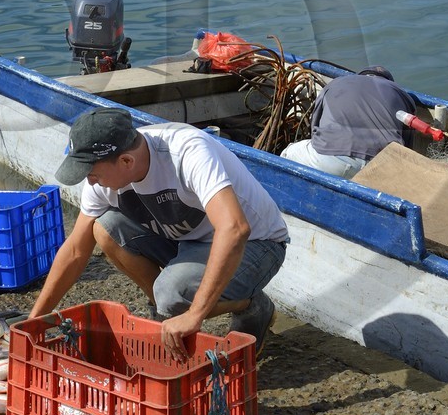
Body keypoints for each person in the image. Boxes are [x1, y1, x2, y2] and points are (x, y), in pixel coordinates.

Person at [30, 108, 288, 359]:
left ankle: (252, 306)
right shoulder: (107, 169)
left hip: (257, 244)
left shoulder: (187, 152)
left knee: (170, 293)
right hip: (187, 239)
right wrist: (34, 323)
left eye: (92, 174)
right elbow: (76, 250)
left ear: (126, 161)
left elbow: (235, 229)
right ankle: (167, 313)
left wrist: (195, 314)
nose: (91, 181)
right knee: (105, 228)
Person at [284, 66, 422, 179]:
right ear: (389, 82)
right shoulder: (402, 95)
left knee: (288, 153)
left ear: (360, 76)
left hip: (331, 161)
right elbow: (406, 150)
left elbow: (315, 130)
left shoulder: (336, 83)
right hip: (381, 168)